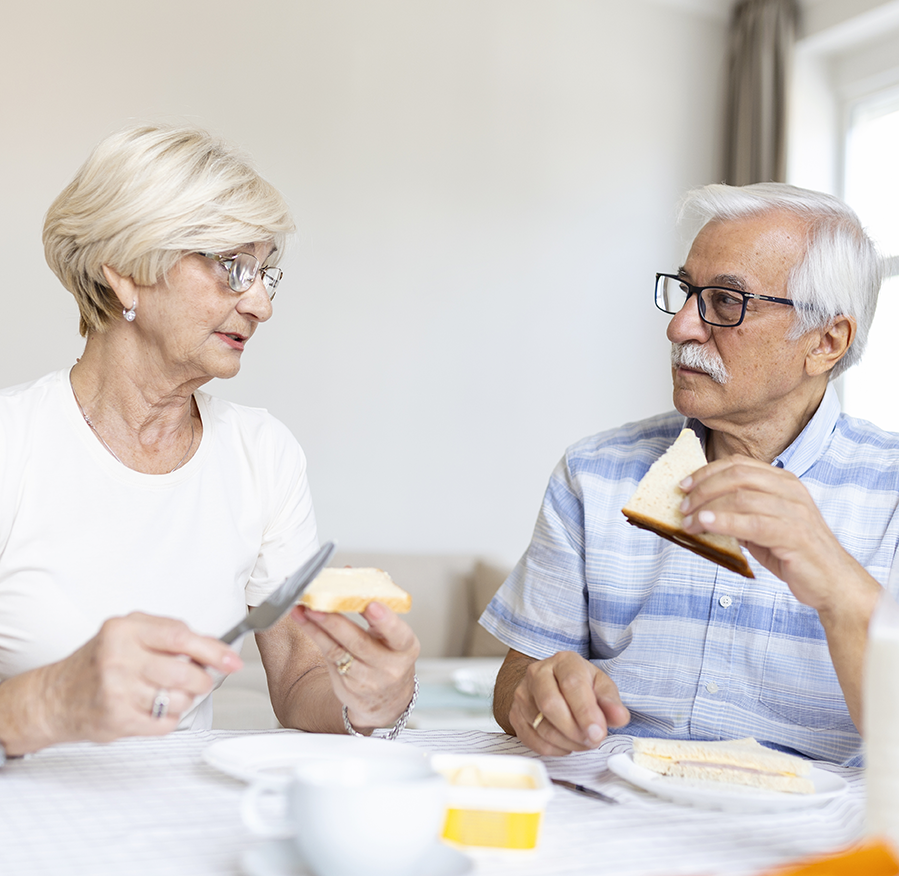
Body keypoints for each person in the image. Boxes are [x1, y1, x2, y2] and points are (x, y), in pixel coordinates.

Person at [0, 124, 419, 758]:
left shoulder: (262, 454)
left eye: (266, 274)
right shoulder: (14, 442)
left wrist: (367, 700)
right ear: (126, 274)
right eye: (233, 267)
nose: (261, 305)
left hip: (185, 810)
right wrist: (50, 701)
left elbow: (300, 680)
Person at [480, 182, 899, 767]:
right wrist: (539, 694)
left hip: (811, 820)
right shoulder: (593, 473)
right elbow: (516, 683)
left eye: (726, 302)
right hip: (617, 804)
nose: (679, 327)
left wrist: (839, 585)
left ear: (827, 341)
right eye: (686, 292)